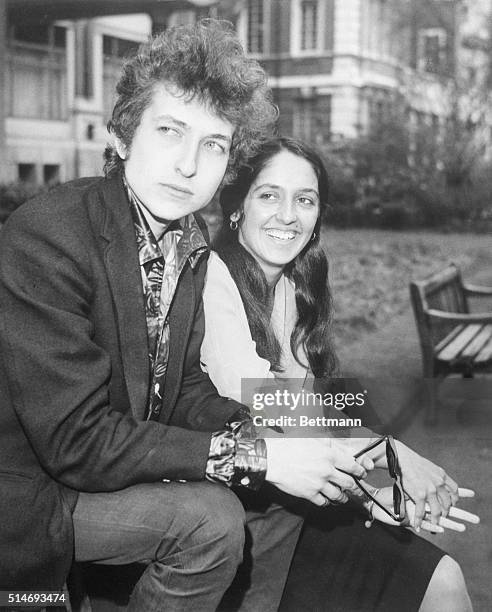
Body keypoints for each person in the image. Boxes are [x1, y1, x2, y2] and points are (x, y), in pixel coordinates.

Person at [0, 22, 373, 611]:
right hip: (34, 499)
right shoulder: (213, 270)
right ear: (124, 136)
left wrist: (348, 437)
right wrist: (360, 437)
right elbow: (276, 396)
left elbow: (226, 393)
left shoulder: (279, 282)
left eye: (305, 200)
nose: (188, 164)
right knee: (221, 515)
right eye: (170, 131)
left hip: (118, 459)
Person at [201, 136, 478, 611]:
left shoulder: (289, 289)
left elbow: (315, 411)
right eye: (269, 195)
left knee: (443, 578)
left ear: (317, 219)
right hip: (240, 528)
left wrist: (373, 491)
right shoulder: (213, 278)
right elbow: (261, 401)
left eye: (304, 200)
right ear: (236, 209)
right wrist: (387, 453)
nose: (288, 215)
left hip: (300, 502)